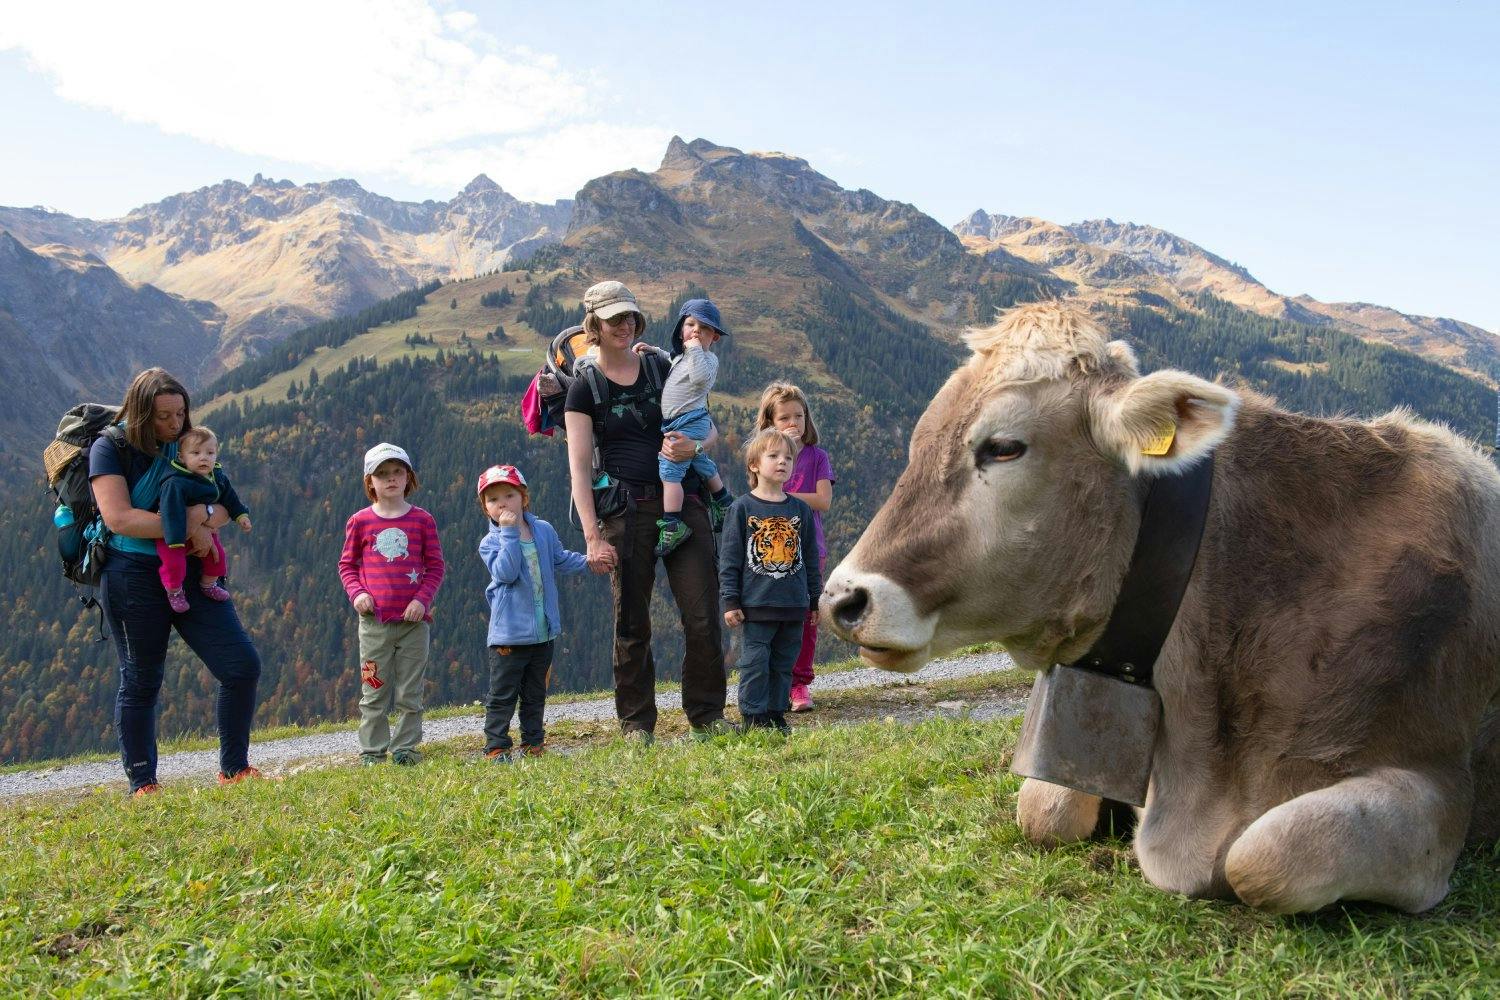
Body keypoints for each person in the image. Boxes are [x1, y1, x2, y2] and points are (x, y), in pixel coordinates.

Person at [561, 280, 732, 743]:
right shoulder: (584, 387)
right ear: (593, 324)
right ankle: (636, 723)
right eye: (614, 318)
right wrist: (592, 536)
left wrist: (694, 446)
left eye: (630, 316)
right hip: (625, 511)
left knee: (701, 614)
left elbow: (708, 429)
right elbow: (578, 468)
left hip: (683, 500)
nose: (624, 325)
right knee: (631, 621)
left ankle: (708, 714)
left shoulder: (660, 364)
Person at [88, 368, 263, 795]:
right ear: (140, 411)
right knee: (142, 678)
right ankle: (143, 783)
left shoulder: (186, 446)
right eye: (163, 416)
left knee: (241, 666)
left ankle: (234, 768)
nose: (173, 424)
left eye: (180, 414)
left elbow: (221, 501)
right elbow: (119, 518)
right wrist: (188, 525)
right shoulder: (109, 448)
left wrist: (203, 519)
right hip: (132, 575)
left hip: (192, 571)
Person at [477, 463, 593, 762]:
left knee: (535, 693)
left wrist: (590, 561)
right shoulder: (491, 542)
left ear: (523, 497)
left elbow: (561, 559)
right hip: (509, 636)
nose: (502, 503)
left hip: (543, 631)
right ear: (485, 508)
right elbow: (506, 571)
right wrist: (508, 533)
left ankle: (533, 742)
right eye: (493, 499)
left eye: (509, 495)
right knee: (503, 694)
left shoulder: (542, 529)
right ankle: (497, 746)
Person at [338, 443, 445, 766]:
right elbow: (347, 565)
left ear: (408, 476)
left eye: (397, 472)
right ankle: (372, 751)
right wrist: (357, 594)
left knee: (410, 692)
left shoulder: (422, 521)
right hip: (374, 623)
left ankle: (405, 748)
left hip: (414, 623)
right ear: (370, 481)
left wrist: (421, 600)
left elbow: (435, 567)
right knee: (373, 689)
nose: (390, 479)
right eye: (382, 474)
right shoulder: (360, 522)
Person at [719, 429, 823, 733]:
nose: (783, 462)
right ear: (754, 464)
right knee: (754, 663)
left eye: (788, 458)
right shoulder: (742, 509)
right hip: (756, 606)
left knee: (783, 664)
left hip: (793, 606)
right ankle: (753, 718)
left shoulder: (800, 510)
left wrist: (814, 599)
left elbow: (811, 559)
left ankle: (776, 715)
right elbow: (730, 559)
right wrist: (730, 600)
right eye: (774, 456)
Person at [631, 298, 735, 556]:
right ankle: (723, 501)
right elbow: (674, 362)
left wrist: (696, 349)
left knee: (670, 472)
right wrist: (655, 351)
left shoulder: (708, 360)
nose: (697, 331)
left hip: (690, 422)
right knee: (699, 462)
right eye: (691, 324)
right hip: (682, 421)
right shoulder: (686, 357)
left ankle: (672, 523)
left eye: (705, 328)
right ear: (681, 330)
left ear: (715, 338)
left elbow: (699, 378)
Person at [756, 382, 835, 711]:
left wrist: (785, 498)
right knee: (770, 614)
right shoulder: (767, 458)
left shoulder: (817, 457)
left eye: (799, 416)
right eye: (784, 417)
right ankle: (774, 681)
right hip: (773, 552)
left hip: (809, 548)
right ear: (770, 424)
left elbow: (823, 501)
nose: (793, 422)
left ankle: (800, 684)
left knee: (807, 616)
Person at [152, 426, 252, 613]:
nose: (204, 457)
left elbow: (230, 498)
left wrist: (241, 516)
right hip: (173, 534)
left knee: (218, 558)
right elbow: (170, 513)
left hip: (204, 529)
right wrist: (175, 541)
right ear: (182, 458)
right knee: (174, 564)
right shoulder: (175, 482)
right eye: (196, 453)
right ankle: (174, 591)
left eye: (210, 453)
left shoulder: (217, 477)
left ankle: (209, 585)